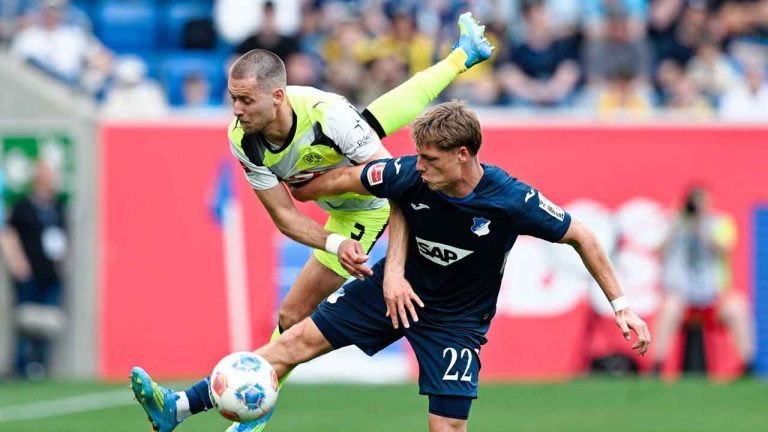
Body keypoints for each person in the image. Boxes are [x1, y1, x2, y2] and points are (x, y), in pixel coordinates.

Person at [130, 12, 494, 432]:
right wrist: (333, 243)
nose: (236, 110)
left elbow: (396, 187)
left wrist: (386, 262)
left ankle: (211, 411)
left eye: (246, 100)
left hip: (365, 208)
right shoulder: (243, 138)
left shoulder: (329, 116)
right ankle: (464, 54)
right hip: (339, 206)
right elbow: (285, 216)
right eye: (233, 98)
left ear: (278, 96)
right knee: (375, 120)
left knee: (293, 312)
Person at [231, 101, 648, 432]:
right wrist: (290, 179)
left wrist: (622, 305)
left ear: (462, 155)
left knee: (447, 425)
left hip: (457, 320)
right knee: (292, 342)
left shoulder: (511, 200)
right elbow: (341, 181)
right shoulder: (411, 173)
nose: (420, 166)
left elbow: (584, 236)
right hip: (393, 294)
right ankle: (181, 406)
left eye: (429, 158)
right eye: (419, 156)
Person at [653, 186, 754, 375]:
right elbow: (658, 251)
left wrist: (700, 225)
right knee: (669, 309)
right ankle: (657, 365)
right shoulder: (676, 224)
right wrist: (676, 224)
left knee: (738, 307)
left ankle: (747, 364)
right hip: (683, 297)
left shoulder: (720, 223)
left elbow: (723, 247)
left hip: (713, 296)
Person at [0, 160, 68, 380]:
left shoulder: (57, 206)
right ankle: (22, 364)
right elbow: (9, 234)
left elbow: (61, 238)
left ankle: (40, 364)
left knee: (47, 321)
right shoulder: (23, 207)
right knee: (26, 320)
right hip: (27, 271)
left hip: (50, 272)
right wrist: (17, 262)